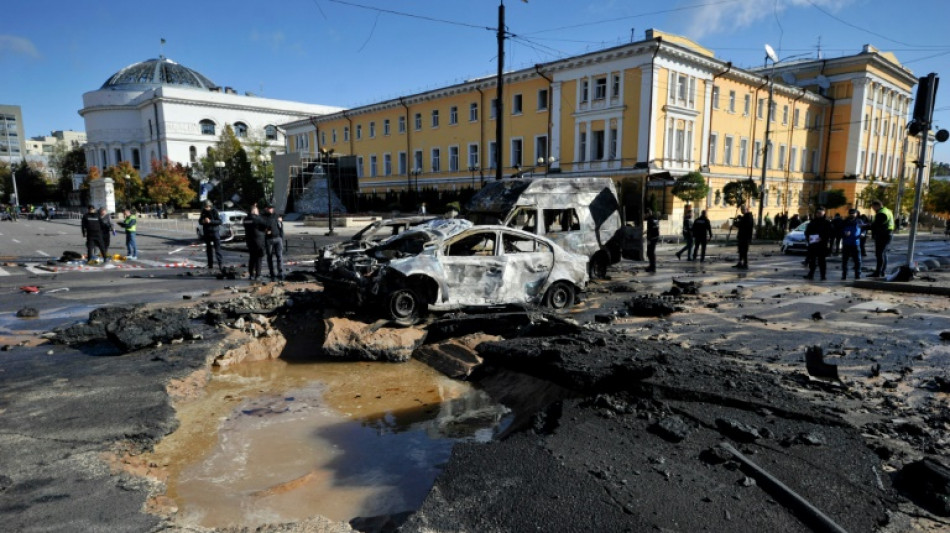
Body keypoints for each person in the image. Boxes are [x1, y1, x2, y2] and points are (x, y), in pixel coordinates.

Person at [804, 207, 832, 280]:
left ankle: (823, 276)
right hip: (813, 244)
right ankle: (811, 275)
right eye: (817, 213)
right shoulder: (812, 222)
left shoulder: (826, 223)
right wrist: (808, 237)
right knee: (812, 261)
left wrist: (822, 238)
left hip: (822, 245)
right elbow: (807, 232)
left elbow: (830, 233)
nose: (818, 214)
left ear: (824, 213)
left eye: (820, 213)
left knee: (821, 261)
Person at [869, 200, 894, 277]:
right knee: (883, 254)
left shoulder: (882, 213)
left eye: (873, 207)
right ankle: (882, 271)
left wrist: (863, 226)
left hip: (883, 235)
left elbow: (876, 225)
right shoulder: (887, 211)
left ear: (877, 206)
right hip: (887, 234)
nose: (873, 209)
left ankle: (878, 272)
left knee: (880, 254)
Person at [243, 205, 266, 281]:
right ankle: (258, 275)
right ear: (254, 211)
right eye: (257, 210)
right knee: (259, 258)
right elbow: (265, 225)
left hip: (250, 241)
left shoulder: (245, 219)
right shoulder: (257, 218)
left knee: (252, 258)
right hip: (258, 241)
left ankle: (251, 275)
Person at [199, 200, 224, 270]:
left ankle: (220, 264)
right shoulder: (203, 212)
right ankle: (210, 264)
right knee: (208, 250)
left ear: (210, 206)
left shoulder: (214, 211)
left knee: (217, 249)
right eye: (205, 207)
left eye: (207, 207)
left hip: (214, 232)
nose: (206, 208)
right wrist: (203, 221)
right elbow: (200, 221)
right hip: (207, 232)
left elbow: (219, 221)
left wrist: (210, 221)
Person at [263, 205, 285, 282]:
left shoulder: (276, 216)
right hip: (269, 239)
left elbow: (281, 226)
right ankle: (272, 272)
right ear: (266, 209)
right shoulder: (264, 216)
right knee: (269, 257)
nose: (270, 209)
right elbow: (262, 227)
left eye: (271, 208)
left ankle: (280, 272)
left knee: (279, 256)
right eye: (269, 208)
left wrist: (281, 237)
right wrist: (265, 231)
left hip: (278, 238)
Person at [840, 209, 862, 280]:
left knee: (857, 260)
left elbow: (864, 229)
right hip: (846, 243)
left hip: (855, 243)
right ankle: (844, 275)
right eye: (850, 213)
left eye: (853, 213)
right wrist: (844, 233)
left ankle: (857, 274)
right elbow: (839, 231)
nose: (852, 215)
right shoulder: (845, 222)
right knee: (845, 260)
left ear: (856, 214)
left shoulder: (859, 221)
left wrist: (862, 234)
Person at [732, 205, 754, 269]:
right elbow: (741, 224)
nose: (742, 210)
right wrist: (738, 220)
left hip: (745, 237)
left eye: (743, 209)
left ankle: (745, 264)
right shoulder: (745, 217)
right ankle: (740, 262)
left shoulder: (749, 217)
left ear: (747, 209)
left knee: (744, 251)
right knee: (740, 250)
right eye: (741, 209)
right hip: (741, 236)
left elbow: (744, 225)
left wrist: (737, 223)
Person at [644, 208, 660, 273]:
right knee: (651, 253)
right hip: (656, 237)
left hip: (652, 238)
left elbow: (650, 230)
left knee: (650, 253)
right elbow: (655, 228)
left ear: (648, 213)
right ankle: (651, 266)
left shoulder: (650, 220)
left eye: (645, 214)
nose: (645, 215)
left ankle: (652, 267)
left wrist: (649, 239)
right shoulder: (655, 218)